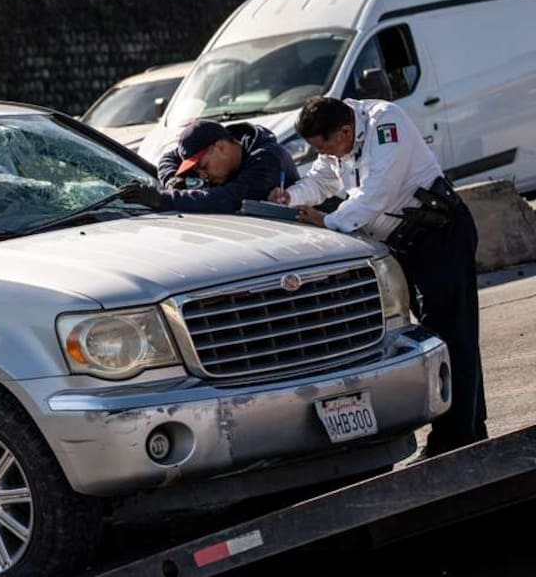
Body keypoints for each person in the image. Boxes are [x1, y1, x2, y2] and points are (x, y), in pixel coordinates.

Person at [269, 96, 486, 456]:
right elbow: (323, 180)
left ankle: (455, 439)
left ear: (344, 130)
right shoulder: (338, 140)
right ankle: (469, 428)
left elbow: (376, 193)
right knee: (443, 333)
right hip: (405, 241)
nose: (329, 154)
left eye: (327, 146)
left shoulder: (386, 124)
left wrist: (328, 221)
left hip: (439, 233)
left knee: (451, 335)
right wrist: (287, 198)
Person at [121, 119, 299, 212]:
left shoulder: (267, 160)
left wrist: (163, 198)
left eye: (203, 166)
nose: (202, 176)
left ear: (221, 147)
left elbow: (226, 199)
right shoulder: (216, 144)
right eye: (196, 170)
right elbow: (170, 157)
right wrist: (172, 180)